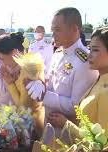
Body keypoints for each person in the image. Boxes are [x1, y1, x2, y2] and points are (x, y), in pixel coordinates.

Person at [26, 7, 99, 136]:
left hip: (67, 135)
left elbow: (76, 107)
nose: (53, 35)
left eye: (58, 30)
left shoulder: (85, 62)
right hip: (48, 128)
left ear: (74, 29)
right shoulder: (58, 53)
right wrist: (38, 84)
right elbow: (50, 84)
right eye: (52, 30)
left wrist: (44, 95)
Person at [47, 27, 108, 131]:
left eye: (96, 50)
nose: (89, 55)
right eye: (90, 49)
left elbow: (101, 143)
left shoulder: (106, 90)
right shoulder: (99, 80)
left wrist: (66, 124)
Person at [0, 32, 45, 136]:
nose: (2, 63)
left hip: (33, 126)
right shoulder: (19, 68)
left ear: (14, 53)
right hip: (25, 123)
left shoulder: (29, 71)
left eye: (2, 59)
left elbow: (23, 107)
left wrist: (10, 84)